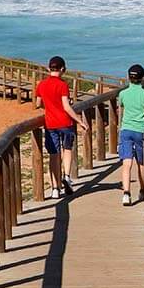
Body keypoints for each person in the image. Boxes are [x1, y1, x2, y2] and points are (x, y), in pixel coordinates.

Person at [34, 56, 85, 199]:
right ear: (63, 69)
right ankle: (67, 176)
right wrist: (80, 120)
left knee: (53, 155)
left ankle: (55, 188)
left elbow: (38, 103)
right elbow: (66, 107)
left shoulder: (41, 84)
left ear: (49, 68)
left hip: (50, 124)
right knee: (67, 149)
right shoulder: (62, 85)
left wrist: (49, 106)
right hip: (65, 123)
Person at [117, 64, 144, 206]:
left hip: (126, 130)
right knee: (141, 163)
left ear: (128, 77)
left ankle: (126, 193)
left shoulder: (123, 94)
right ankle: (143, 190)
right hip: (140, 131)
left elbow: (121, 106)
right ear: (143, 77)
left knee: (126, 163)